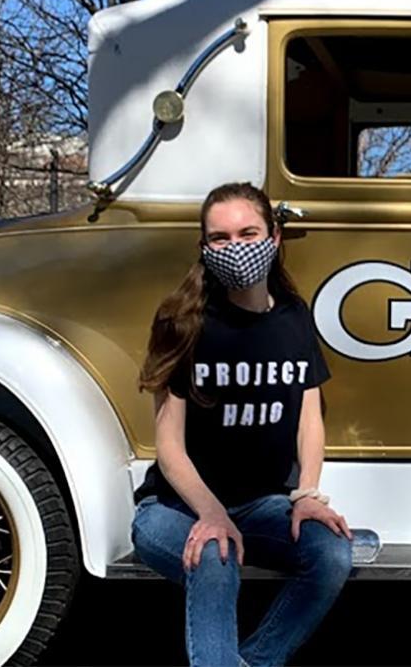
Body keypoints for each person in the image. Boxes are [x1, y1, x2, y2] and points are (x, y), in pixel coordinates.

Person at [131, 181, 353, 667]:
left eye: (248, 233)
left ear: (274, 237)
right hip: (174, 509)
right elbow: (169, 447)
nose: (236, 248)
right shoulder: (182, 321)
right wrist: (211, 514)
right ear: (204, 247)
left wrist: (308, 495)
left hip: (261, 506)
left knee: (332, 555)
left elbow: (309, 416)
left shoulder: (295, 317)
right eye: (221, 238)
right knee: (217, 555)